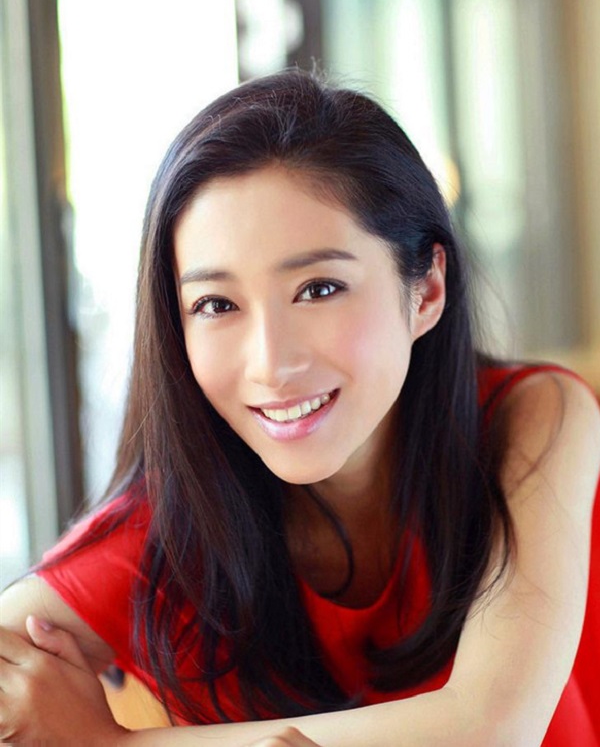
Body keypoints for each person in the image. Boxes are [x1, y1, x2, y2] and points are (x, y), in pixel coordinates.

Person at [0, 69, 598, 747]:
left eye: (318, 289)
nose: (271, 364)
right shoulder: (165, 539)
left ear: (427, 290)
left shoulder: (535, 417)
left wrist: (112, 745)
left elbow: (491, 728)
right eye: (216, 304)